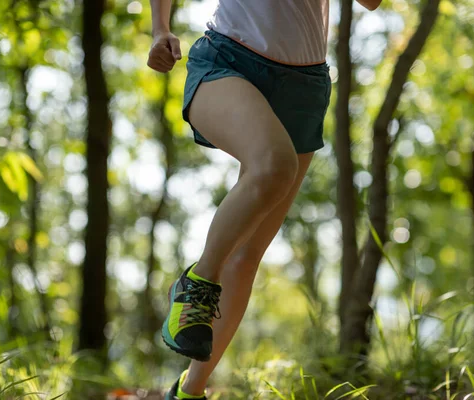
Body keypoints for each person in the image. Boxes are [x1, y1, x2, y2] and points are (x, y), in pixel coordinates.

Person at [147, 0, 381, 398]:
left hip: (305, 86)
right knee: (275, 166)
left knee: (246, 256)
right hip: (228, 61)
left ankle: (189, 392)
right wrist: (159, 27)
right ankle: (197, 284)